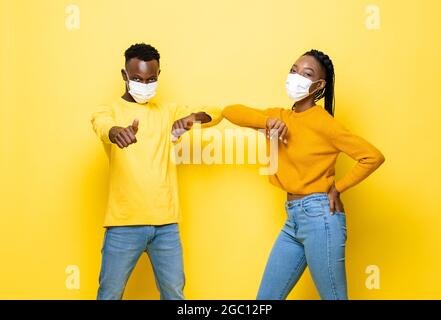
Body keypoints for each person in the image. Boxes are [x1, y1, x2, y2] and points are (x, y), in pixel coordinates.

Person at [222, 49, 385, 300]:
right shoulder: (279, 117)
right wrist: (266, 123)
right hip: (293, 220)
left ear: (318, 85)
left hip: (320, 218)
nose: (296, 77)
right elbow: (231, 111)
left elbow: (372, 156)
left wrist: (337, 188)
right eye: (293, 70)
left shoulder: (323, 122)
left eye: (306, 74)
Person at [91, 43, 222, 300]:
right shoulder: (109, 111)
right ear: (124, 75)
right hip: (123, 224)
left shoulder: (167, 111)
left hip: (166, 227)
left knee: (174, 294)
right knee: (109, 294)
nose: (145, 83)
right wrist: (117, 132)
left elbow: (216, 114)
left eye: (151, 79)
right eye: (137, 78)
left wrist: (191, 119)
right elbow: (102, 125)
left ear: (158, 75)